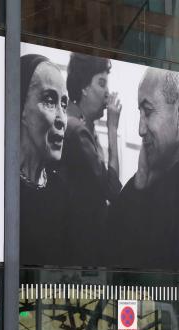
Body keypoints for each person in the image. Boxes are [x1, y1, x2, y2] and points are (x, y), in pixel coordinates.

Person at [107, 68, 179, 270]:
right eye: (140, 113)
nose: (140, 129)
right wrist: (140, 182)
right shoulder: (151, 177)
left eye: (148, 111)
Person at [61, 52, 123, 264]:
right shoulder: (78, 132)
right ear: (84, 88)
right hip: (79, 253)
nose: (108, 94)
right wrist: (113, 128)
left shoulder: (81, 126)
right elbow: (113, 190)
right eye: (101, 83)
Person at [19, 54, 69, 265]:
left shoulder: (63, 192)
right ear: (20, 107)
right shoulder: (0, 191)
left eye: (64, 104)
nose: (62, 119)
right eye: (49, 101)